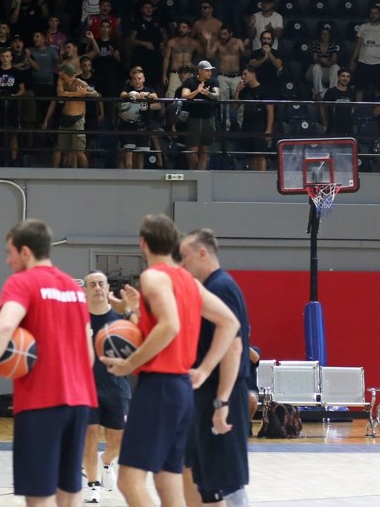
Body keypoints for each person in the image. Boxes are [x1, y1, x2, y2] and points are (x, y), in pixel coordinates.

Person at [99, 214, 242, 507]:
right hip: (181, 390)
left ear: (143, 243)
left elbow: (170, 326)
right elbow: (229, 322)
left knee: (129, 481)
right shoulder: (188, 281)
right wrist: (203, 369)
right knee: (168, 481)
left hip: (158, 388)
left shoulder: (153, 276)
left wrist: (128, 364)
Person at [0, 219, 95, 507]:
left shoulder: (22, 282)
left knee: (38, 494)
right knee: (70, 487)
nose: (7, 259)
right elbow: (88, 355)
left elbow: (3, 327)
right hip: (78, 401)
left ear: (25, 252)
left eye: (9, 252)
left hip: (41, 403)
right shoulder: (75, 289)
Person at [177, 229, 252, 507]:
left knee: (227, 484)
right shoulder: (212, 287)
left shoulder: (220, 287)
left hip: (223, 393)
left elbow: (234, 347)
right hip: (206, 394)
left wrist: (222, 401)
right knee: (207, 483)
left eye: (185, 256)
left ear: (202, 253)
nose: (182, 264)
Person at [82, 271, 134, 505]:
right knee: (89, 437)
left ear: (107, 289)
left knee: (118, 442)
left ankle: (107, 462)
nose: (97, 287)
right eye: (92, 284)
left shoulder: (120, 320)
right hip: (86, 387)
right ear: (85, 290)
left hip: (116, 386)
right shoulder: (79, 319)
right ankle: (93, 486)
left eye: (101, 283)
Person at [179, 61, 220, 170]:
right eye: (207, 70)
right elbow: (185, 95)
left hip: (208, 118)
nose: (209, 73)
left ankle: (201, 175)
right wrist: (197, 91)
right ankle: (195, 173)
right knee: (193, 149)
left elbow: (216, 95)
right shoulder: (190, 81)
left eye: (210, 70)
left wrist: (208, 93)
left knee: (205, 150)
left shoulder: (214, 81)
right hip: (194, 118)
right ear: (200, 71)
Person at [350, 4, 380, 102]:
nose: (373, 15)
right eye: (371, 13)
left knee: (379, 89)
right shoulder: (363, 27)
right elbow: (358, 46)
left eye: (376, 13)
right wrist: (353, 61)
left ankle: (377, 113)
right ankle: (357, 111)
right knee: (359, 88)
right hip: (363, 62)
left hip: (379, 63)